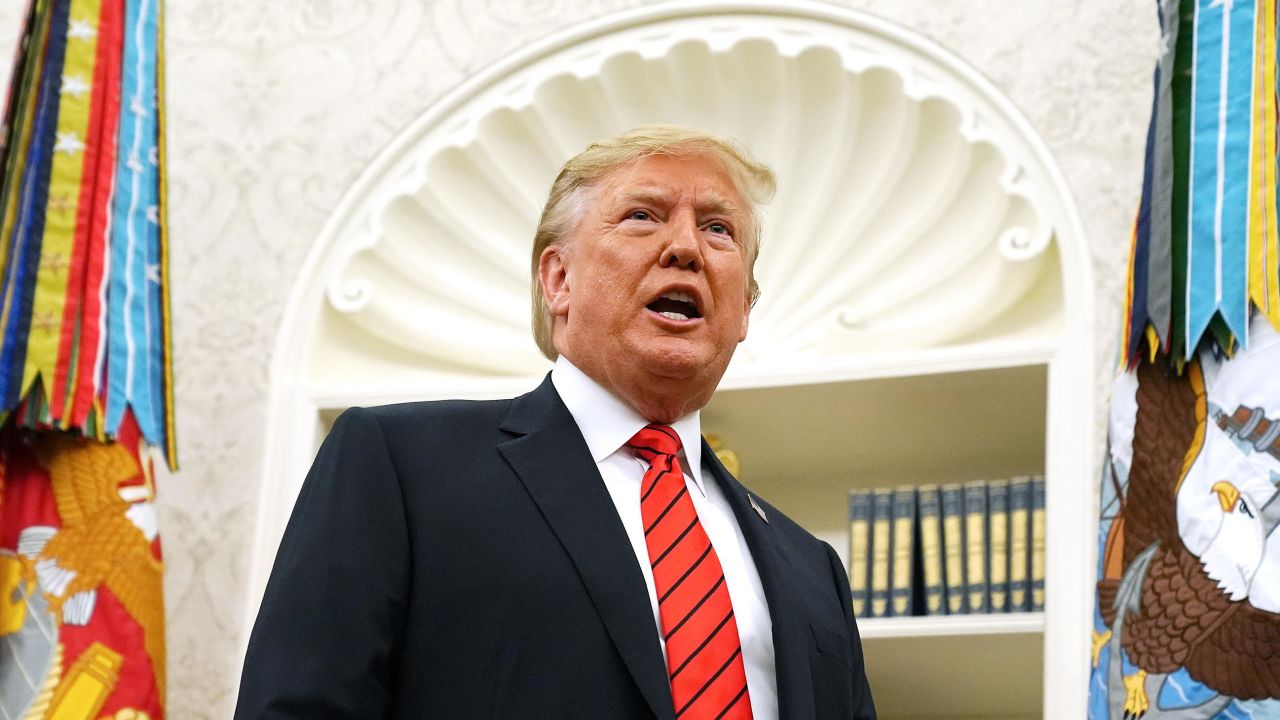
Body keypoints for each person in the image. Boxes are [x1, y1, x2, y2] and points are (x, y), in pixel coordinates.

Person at [235, 125, 876, 719]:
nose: (684, 247)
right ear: (558, 279)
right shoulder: (400, 468)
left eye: (718, 230)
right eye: (642, 216)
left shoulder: (811, 567)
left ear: (743, 312)